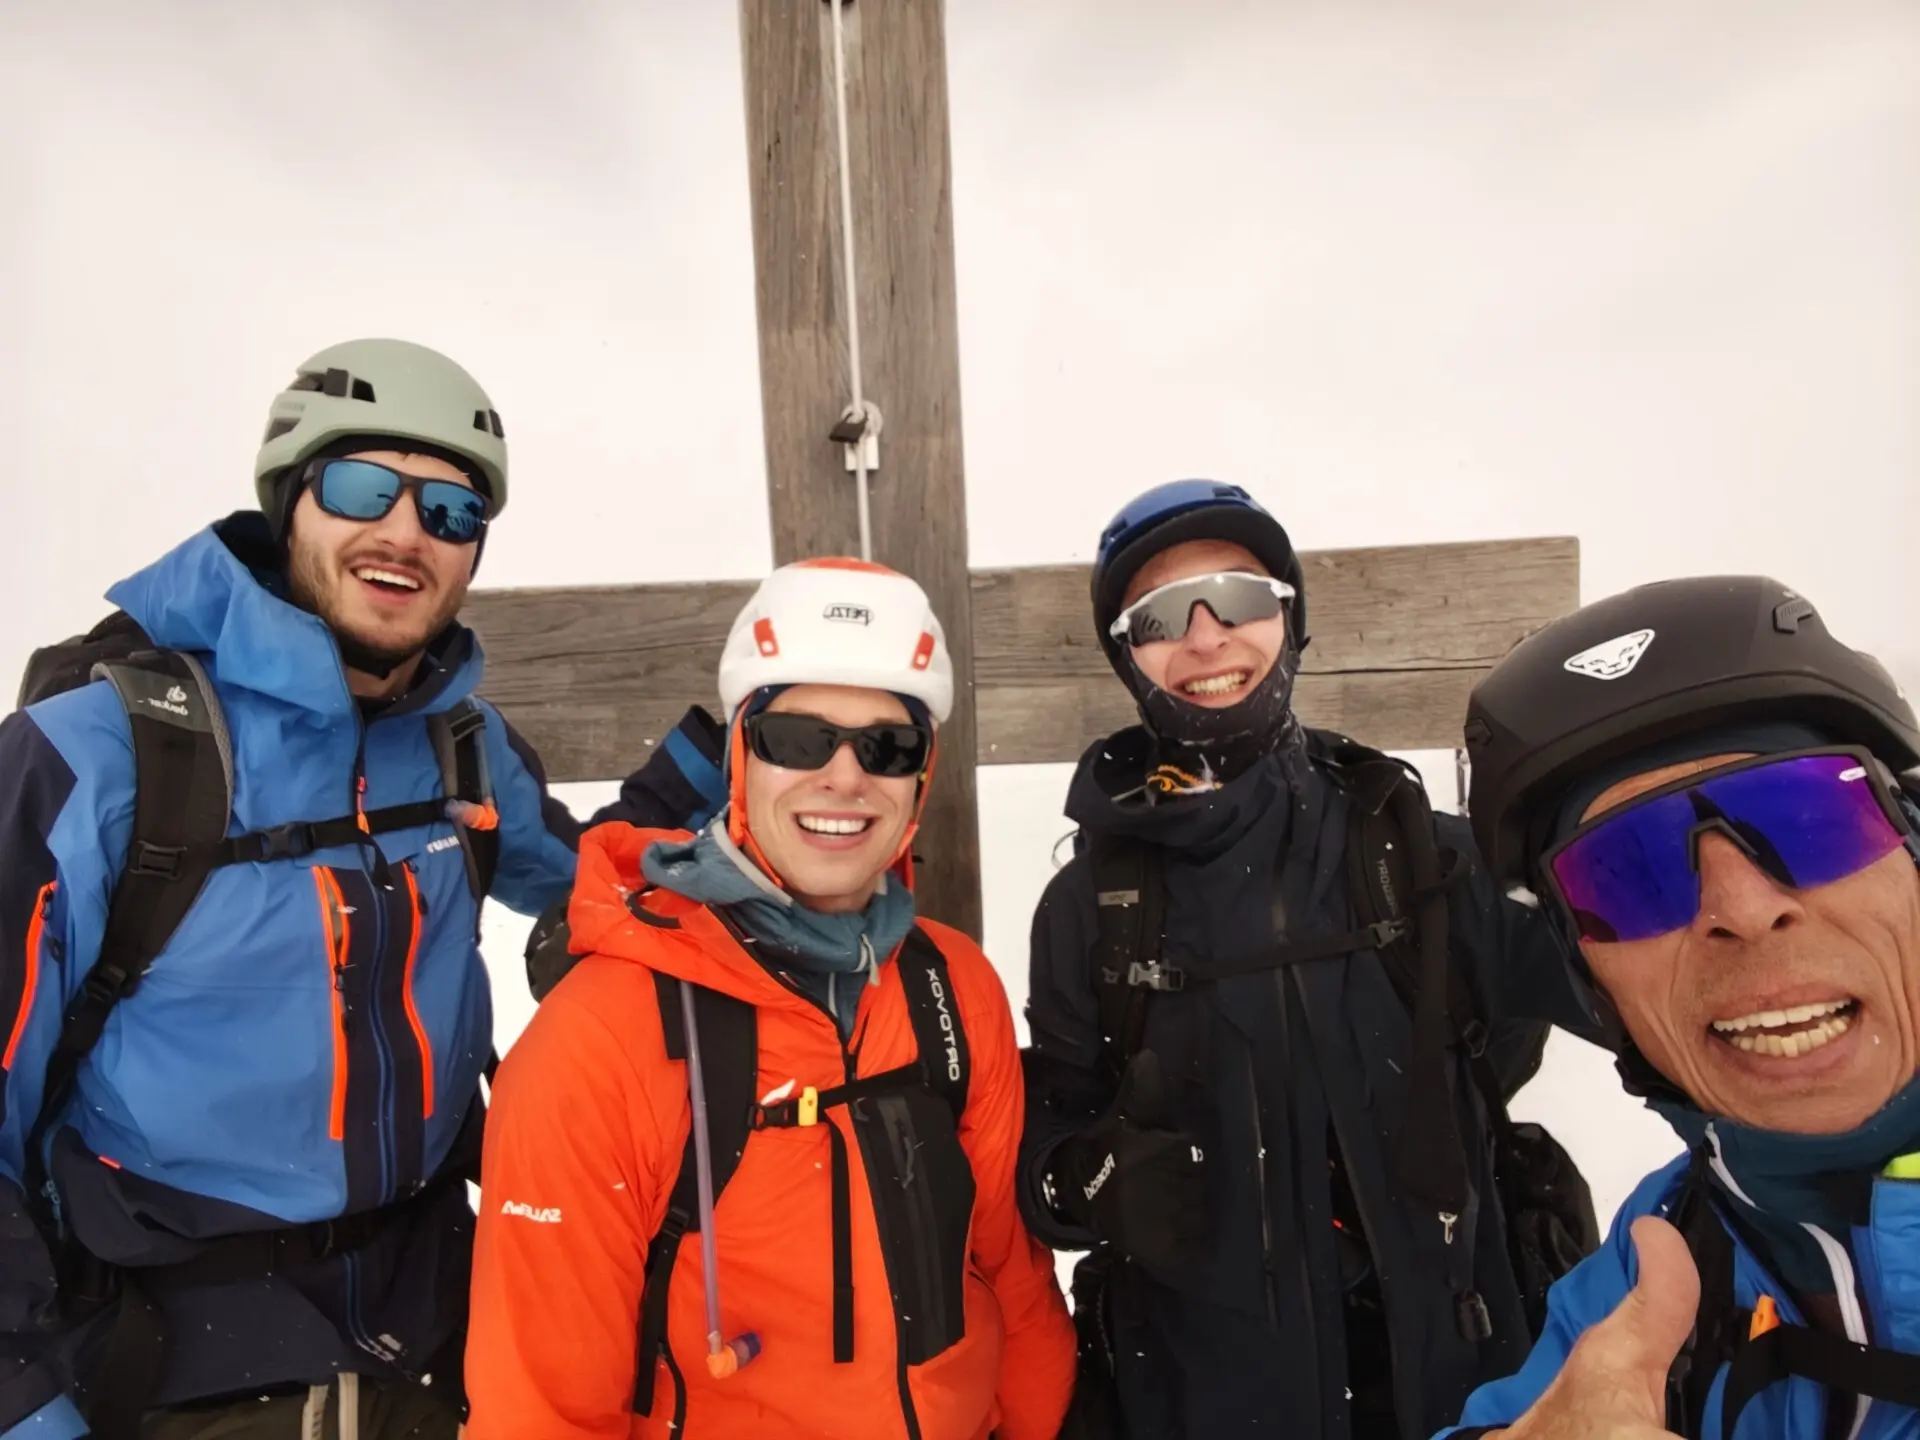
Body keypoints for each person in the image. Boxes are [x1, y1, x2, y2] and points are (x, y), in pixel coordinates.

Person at [0, 338, 719, 1440]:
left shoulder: (462, 750)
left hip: (435, 1341)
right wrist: (23, 1400)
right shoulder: (95, 757)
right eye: (361, 488)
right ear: (289, 500)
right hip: (166, 1369)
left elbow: (588, 887)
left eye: (451, 511)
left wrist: (737, 761)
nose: (405, 533)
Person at [1018, 480, 1596, 1440]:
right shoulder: (1092, 909)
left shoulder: (1420, 855)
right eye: (1161, 616)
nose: (1207, 639)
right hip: (1200, 1404)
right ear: (1127, 655)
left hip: (1466, 1390)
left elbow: (1640, 994)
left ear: (1290, 620)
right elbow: (1045, 1141)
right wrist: (1093, 1177)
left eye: (1239, 599)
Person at [465, 558, 1076, 1440]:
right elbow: (543, 1411)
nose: (845, 777)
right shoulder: (601, 1037)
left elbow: (1012, 1283)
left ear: (920, 777)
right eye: (798, 738)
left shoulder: (951, 985)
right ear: (739, 758)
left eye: (887, 746)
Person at [1439, 574, 1920, 1440]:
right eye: (1629, 874)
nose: (1742, 907)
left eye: (1810, 817)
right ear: (1592, 980)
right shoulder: (1664, 1251)